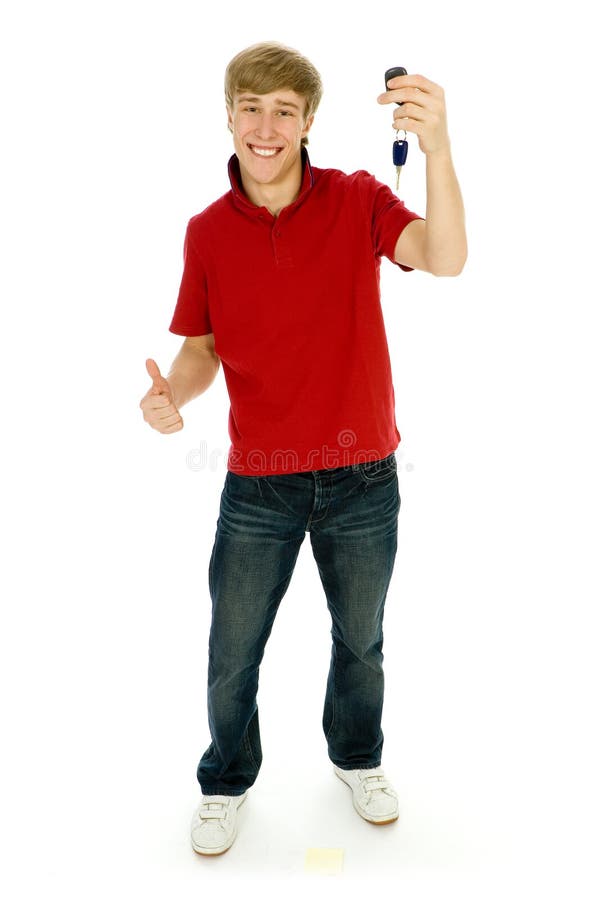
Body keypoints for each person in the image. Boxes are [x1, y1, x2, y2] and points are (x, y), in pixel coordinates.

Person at [139, 41, 466, 856]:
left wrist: (439, 149)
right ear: (229, 116)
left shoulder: (356, 198)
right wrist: (169, 395)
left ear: (309, 121)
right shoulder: (207, 232)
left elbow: (446, 257)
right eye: (251, 107)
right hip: (260, 486)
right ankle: (226, 780)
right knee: (232, 649)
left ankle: (357, 759)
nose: (267, 125)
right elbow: (200, 350)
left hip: (363, 479)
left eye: (285, 109)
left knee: (362, 639)